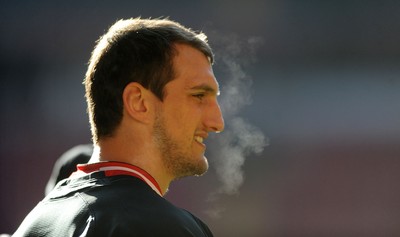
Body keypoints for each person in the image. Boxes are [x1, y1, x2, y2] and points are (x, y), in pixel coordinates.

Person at [13, 17, 224, 236]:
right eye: (198, 96)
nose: (217, 123)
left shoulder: (36, 222)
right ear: (138, 102)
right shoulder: (158, 226)